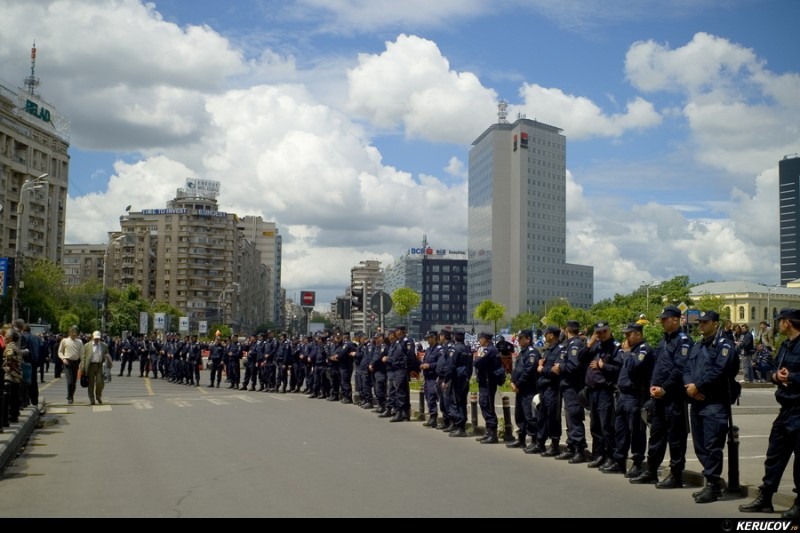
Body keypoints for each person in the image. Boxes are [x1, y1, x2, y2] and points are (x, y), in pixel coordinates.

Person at [740, 309, 800, 517]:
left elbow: (792, 374)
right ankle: (765, 498)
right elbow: (771, 370)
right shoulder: (785, 345)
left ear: (787, 322)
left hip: (799, 409)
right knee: (774, 455)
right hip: (786, 409)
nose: (778, 325)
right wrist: (776, 375)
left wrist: (791, 376)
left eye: (779, 321)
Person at [631, 305, 694, 487]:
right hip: (658, 397)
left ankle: (675, 476)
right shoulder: (664, 340)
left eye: (665, 319)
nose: (661, 322)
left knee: (675, 439)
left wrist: (664, 388)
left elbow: (679, 369)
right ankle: (651, 471)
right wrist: (653, 386)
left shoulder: (683, 341)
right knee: (656, 436)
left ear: (675, 320)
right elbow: (658, 366)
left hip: (673, 397)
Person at [683, 310, 738, 503]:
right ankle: (711, 481)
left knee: (713, 445)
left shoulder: (724, 345)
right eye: (700, 322)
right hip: (696, 400)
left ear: (715, 323)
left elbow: (720, 370)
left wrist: (698, 386)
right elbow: (687, 368)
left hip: (714, 402)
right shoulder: (698, 345)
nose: (701, 325)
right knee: (700, 446)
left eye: (705, 323)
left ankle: (713, 485)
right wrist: (690, 386)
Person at [601, 323, 655, 477]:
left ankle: (637, 463)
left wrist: (626, 353)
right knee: (621, 430)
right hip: (623, 395)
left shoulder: (643, 349)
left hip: (635, 395)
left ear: (637, 334)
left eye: (628, 334)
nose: (625, 338)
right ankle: (619, 461)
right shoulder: (629, 350)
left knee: (636, 431)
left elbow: (635, 367)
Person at [583, 321, 622, 468]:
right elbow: (581, 358)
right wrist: (589, 343)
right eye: (598, 332)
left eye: (603, 332)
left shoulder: (615, 347)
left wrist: (602, 366)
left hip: (606, 390)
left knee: (607, 426)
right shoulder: (596, 346)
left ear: (609, 331)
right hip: (593, 391)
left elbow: (619, 369)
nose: (601, 335)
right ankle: (599, 455)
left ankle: (611, 456)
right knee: (595, 426)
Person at [555, 320, 588, 462]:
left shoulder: (575, 345)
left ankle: (579, 449)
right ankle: (571, 446)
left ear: (566, 330)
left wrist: (560, 367)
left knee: (574, 417)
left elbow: (573, 366)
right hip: (567, 386)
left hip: (573, 386)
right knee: (569, 418)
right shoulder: (570, 344)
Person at [508, 330, 540, 452]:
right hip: (520, 389)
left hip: (528, 389)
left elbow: (529, 371)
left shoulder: (532, 353)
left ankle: (535, 440)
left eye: (521, 338)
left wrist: (518, 383)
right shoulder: (522, 353)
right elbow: (517, 369)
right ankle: (521, 438)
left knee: (530, 416)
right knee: (519, 415)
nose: (519, 340)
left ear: (528, 339)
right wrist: (512, 381)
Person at [536, 325, 564, 456]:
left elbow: (556, 370)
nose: (545, 336)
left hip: (553, 387)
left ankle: (554, 445)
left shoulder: (559, 350)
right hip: (544, 387)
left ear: (551, 335)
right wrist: (542, 365)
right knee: (542, 416)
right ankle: (540, 443)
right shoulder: (548, 350)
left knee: (553, 417)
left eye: (546, 334)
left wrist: (542, 369)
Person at [473, 332, 501, 444]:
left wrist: (477, 358)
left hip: (488, 381)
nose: (480, 341)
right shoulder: (487, 349)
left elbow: (477, 362)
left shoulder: (490, 350)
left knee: (487, 405)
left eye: (480, 339)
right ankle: (488, 432)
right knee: (484, 404)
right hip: (485, 381)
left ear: (485, 339)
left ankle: (493, 433)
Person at [81, 331, 112, 405]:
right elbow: (83, 357)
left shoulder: (104, 345)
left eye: (98, 338)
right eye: (95, 338)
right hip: (90, 366)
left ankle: (98, 396)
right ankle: (91, 398)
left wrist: (110, 363)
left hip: (99, 365)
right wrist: (83, 367)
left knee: (100, 382)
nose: (97, 339)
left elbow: (107, 354)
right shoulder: (87, 346)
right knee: (91, 383)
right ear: (92, 337)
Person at [420, 331, 442, 427]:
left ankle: (439, 418)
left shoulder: (439, 349)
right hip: (427, 377)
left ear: (434, 337)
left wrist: (429, 365)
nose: (428, 340)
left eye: (429, 338)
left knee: (434, 397)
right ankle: (432, 417)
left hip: (434, 377)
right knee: (429, 398)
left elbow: (440, 363)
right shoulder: (428, 350)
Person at [58, 326, 84, 405]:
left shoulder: (79, 342)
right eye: (73, 332)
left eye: (75, 332)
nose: (74, 334)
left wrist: (82, 362)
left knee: (74, 382)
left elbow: (82, 353)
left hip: (75, 362)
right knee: (69, 381)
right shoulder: (64, 341)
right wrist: (63, 359)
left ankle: (70, 395)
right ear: (69, 333)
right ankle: (70, 397)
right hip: (67, 362)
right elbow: (60, 352)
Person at [3, 328, 23, 422]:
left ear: (10, 338)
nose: (4, 336)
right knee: (15, 396)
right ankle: (14, 415)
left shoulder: (10, 347)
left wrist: (5, 367)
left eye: (6, 335)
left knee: (10, 396)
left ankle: (11, 416)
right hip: (17, 375)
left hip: (11, 374)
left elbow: (9, 359)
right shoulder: (15, 346)